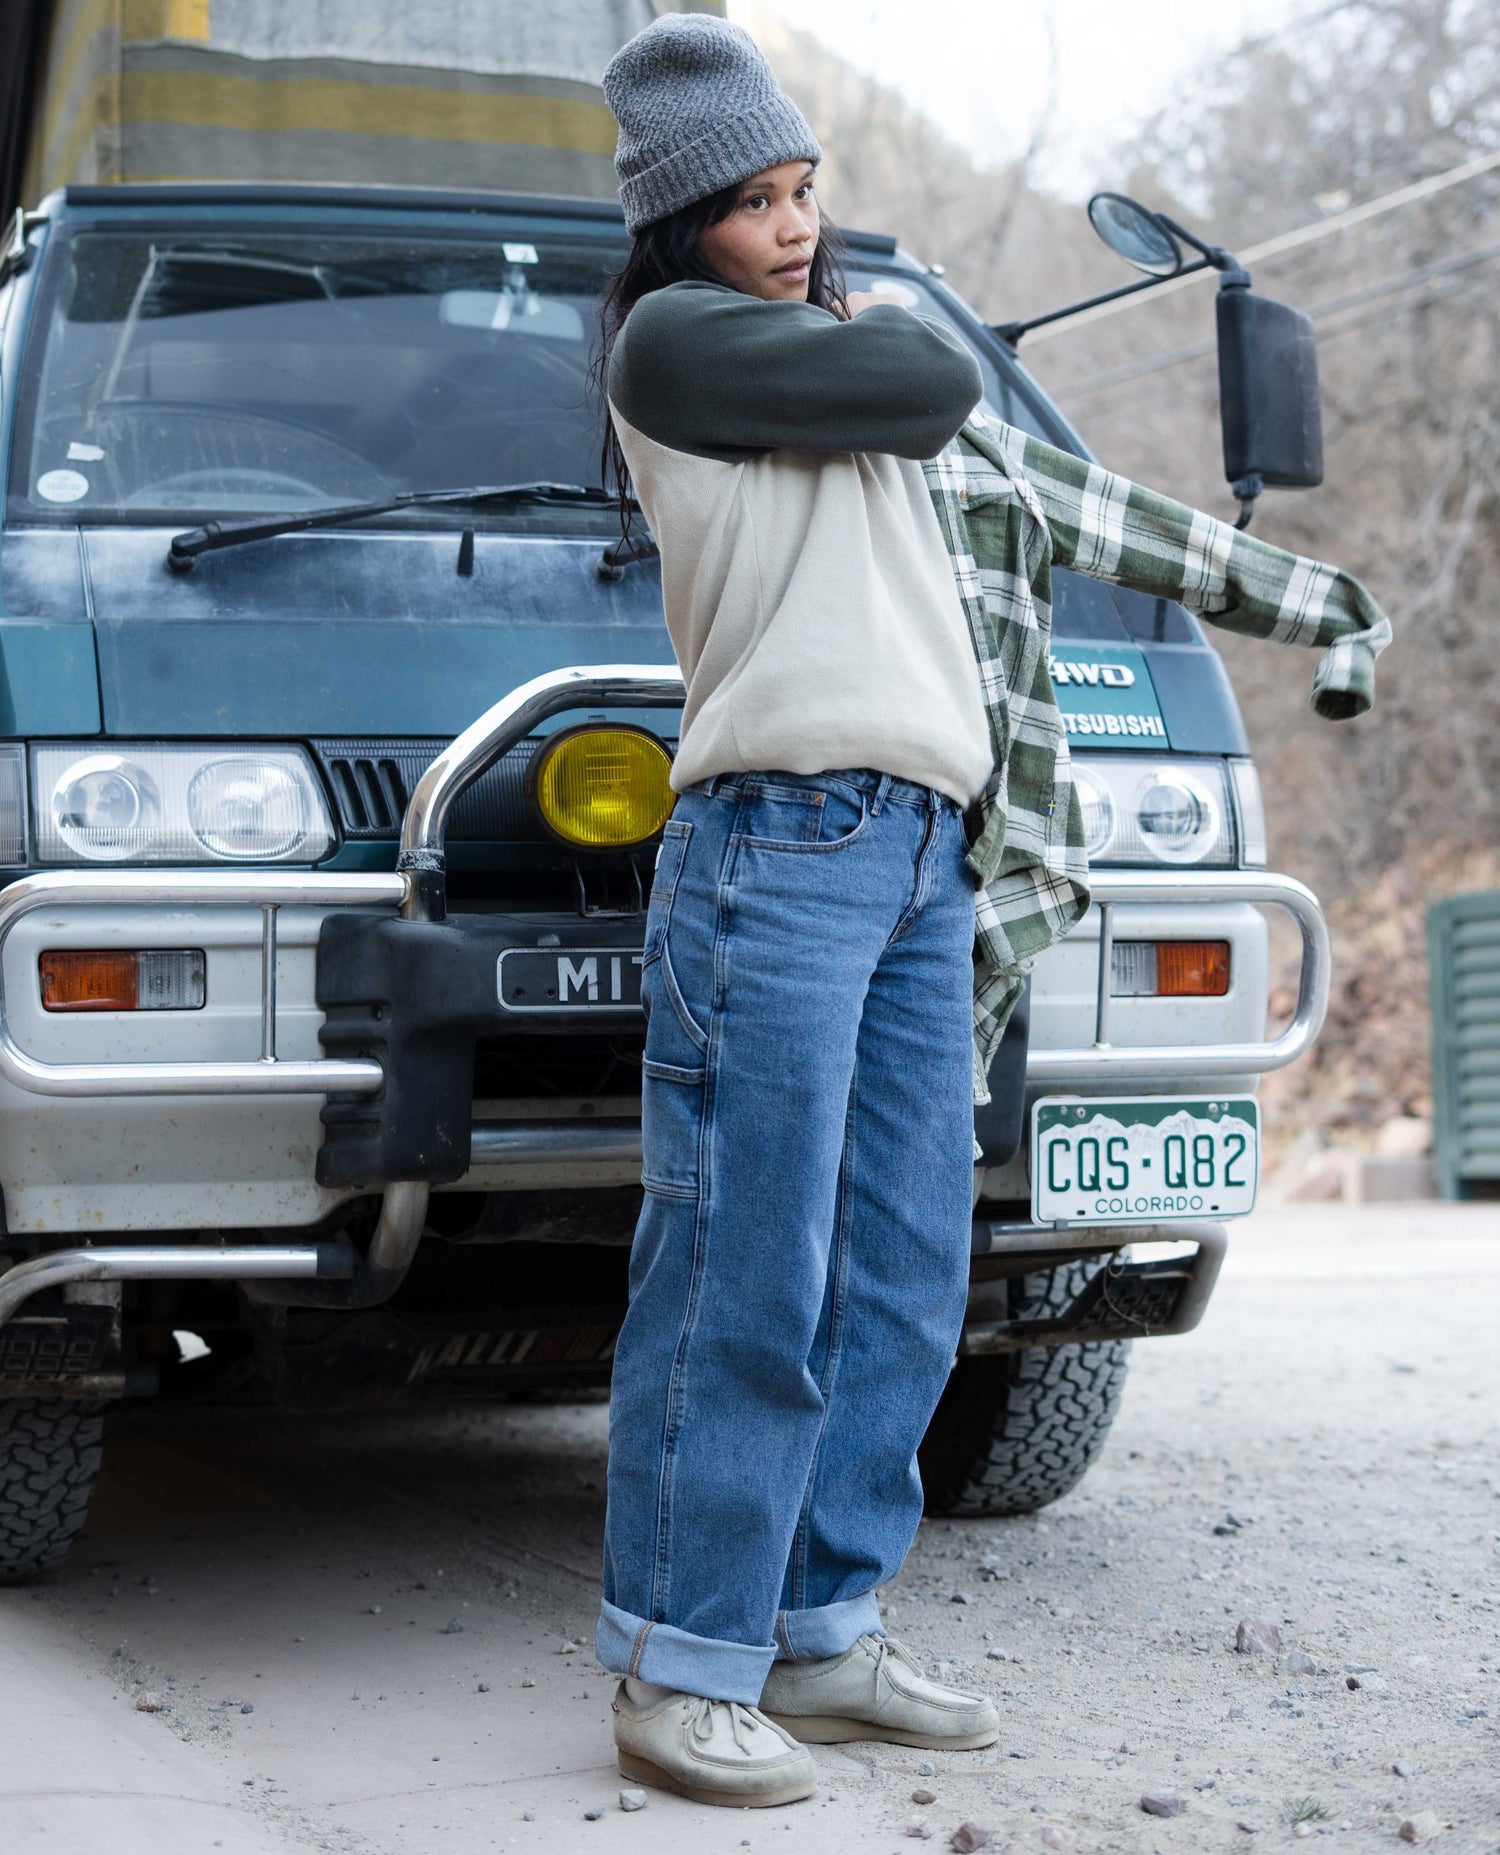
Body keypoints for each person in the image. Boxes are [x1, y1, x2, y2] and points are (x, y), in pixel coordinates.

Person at [592, 14, 1391, 1811]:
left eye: (804, 190)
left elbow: (1036, 472)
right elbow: (934, 391)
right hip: (776, 843)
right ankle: (678, 1660)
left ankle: (824, 1627)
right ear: (682, 220)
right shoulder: (673, 347)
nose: (794, 224)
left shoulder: (815, 352)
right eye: (752, 199)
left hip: (912, 851)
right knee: (745, 1259)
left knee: (904, 1264)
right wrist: (884, 335)